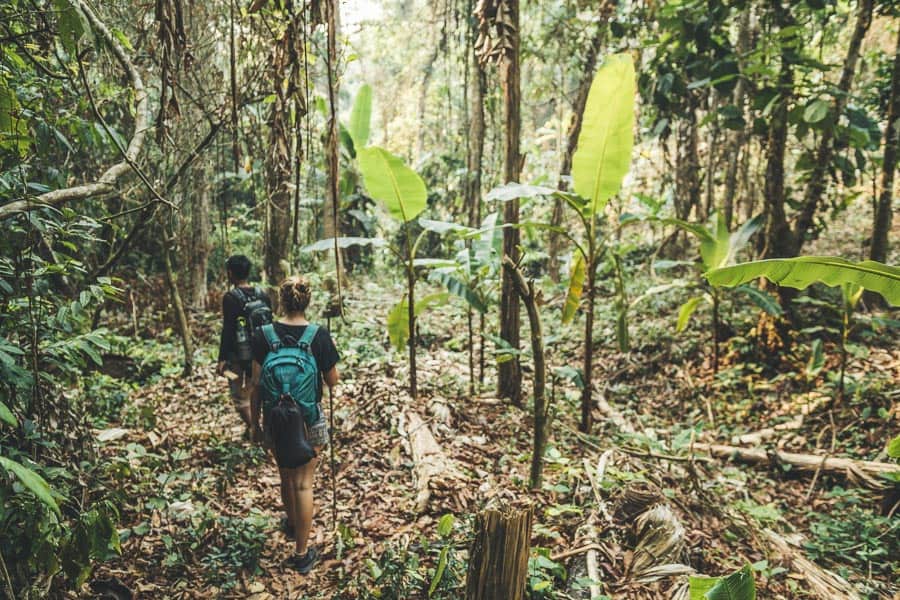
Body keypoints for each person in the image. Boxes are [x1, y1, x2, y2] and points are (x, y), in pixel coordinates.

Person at [250, 275, 339, 574]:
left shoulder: (262, 334)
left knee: (286, 476)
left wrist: (255, 426)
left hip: (275, 418)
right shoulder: (318, 335)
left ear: (280, 300)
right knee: (304, 483)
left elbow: (255, 384)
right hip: (309, 419)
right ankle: (301, 553)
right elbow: (332, 380)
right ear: (308, 300)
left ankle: (292, 523)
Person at [216, 255, 272, 435]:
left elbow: (228, 329)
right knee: (261, 390)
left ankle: (255, 429)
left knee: (240, 398)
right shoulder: (263, 294)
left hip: (238, 356)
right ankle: (260, 428)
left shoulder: (231, 298)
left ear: (230, 273)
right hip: (263, 351)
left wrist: (222, 358)